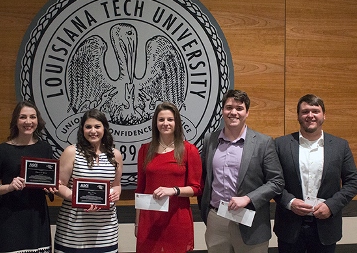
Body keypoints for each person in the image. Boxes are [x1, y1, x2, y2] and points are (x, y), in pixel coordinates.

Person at [198, 89, 284, 253]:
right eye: (229, 107)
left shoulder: (263, 143)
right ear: (222, 110)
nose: (233, 112)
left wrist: (247, 199)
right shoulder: (211, 140)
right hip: (217, 220)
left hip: (251, 221)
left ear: (247, 112)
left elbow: (276, 182)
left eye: (239, 108)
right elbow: (205, 177)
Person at [274, 94, 357, 253]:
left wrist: (331, 206)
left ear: (324, 115)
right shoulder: (280, 144)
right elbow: (272, 181)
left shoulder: (340, 146)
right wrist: (290, 202)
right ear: (298, 116)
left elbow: (352, 182)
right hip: (290, 226)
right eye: (305, 111)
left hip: (326, 226)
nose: (310, 115)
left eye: (315, 111)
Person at [0, 100, 53, 253]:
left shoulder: (45, 148)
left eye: (32, 117)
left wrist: (51, 187)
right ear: (15, 120)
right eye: (23, 117)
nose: (28, 122)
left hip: (37, 218)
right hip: (10, 220)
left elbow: (50, 181)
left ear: (38, 120)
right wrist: (9, 187)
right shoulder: (1, 150)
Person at [135, 101, 202, 253]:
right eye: (161, 119)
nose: (165, 123)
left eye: (170, 119)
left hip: (177, 217)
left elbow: (196, 188)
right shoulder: (145, 150)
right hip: (149, 218)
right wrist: (138, 222)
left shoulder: (189, 150)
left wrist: (173, 190)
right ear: (155, 123)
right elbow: (140, 188)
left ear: (176, 122)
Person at [53, 108, 123, 253]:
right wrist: (78, 198)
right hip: (73, 233)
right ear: (82, 129)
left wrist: (116, 193)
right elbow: (59, 185)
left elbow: (116, 185)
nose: (93, 131)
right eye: (88, 127)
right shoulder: (71, 152)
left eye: (97, 126)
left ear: (104, 128)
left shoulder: (115, 155)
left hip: (106, 232)